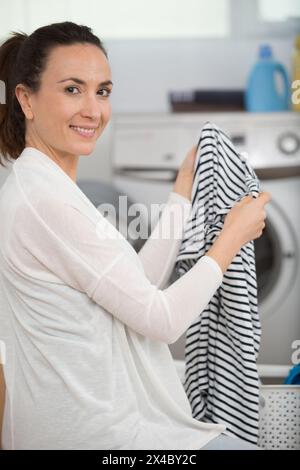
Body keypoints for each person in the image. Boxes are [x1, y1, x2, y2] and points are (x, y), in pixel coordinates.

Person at [0, 22, 270, 450]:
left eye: (102, 91)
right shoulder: (46, 203)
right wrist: (231, 239)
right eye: (73, 89)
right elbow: (161, 321)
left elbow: (137, 288)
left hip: (101, 428)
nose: (93, 110)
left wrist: (183, 191)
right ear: (26, 99)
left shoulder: (46, 188)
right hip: (102, 441)